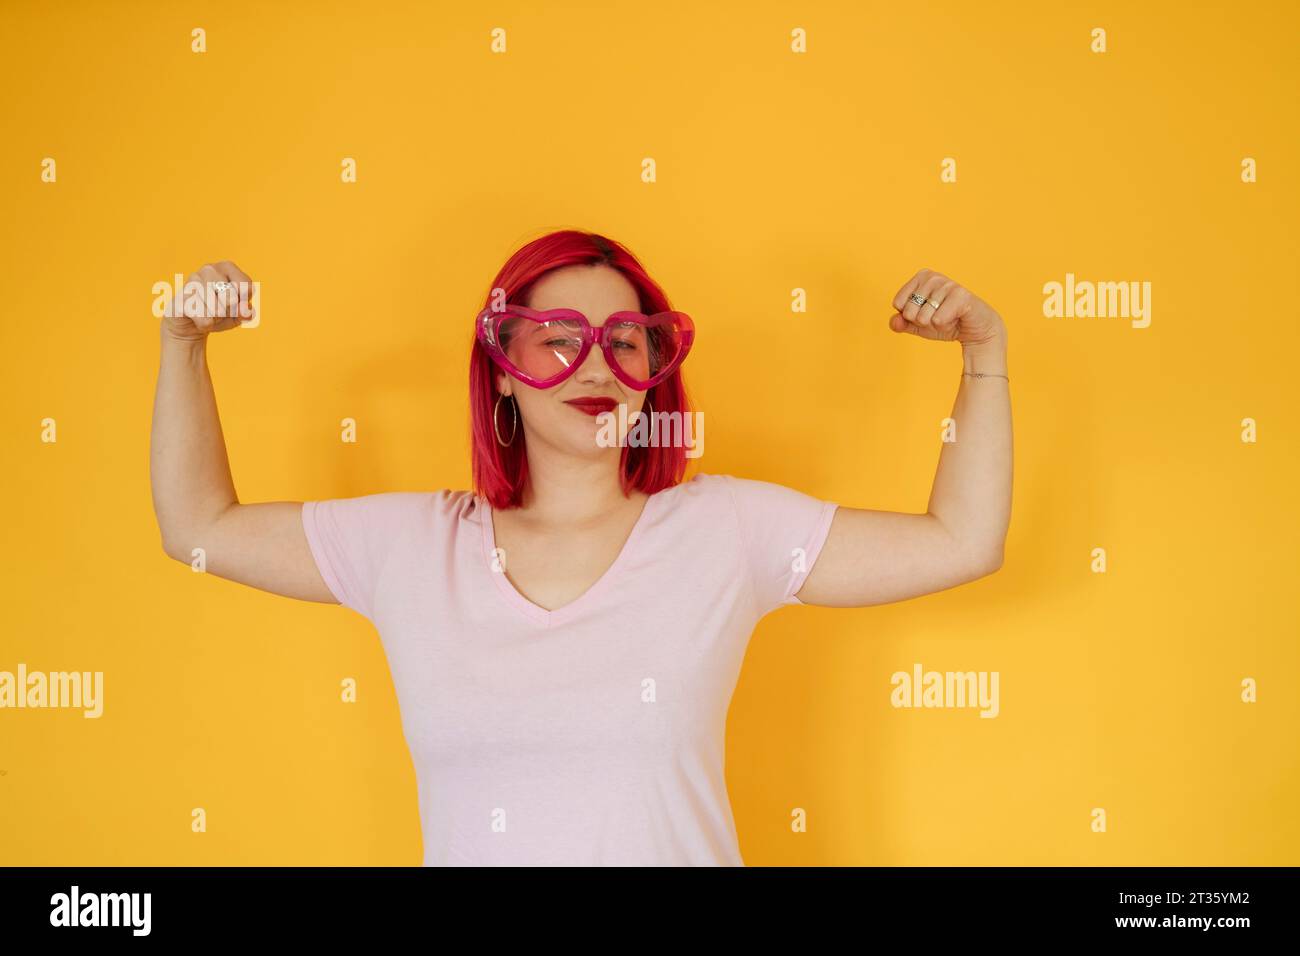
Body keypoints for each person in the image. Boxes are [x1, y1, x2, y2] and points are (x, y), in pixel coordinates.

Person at [150, 229, 1012, 865]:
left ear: (654, 369)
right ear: (501, 366)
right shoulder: (410, 547)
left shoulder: (726, 532)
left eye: (624, 342)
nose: (594, 366)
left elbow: (961, 543)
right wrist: (182, 344)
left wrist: (984, 356)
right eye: (560, 338)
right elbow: (199, 528)